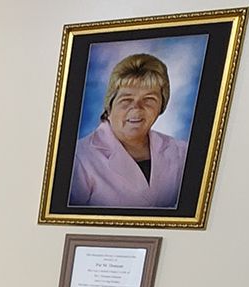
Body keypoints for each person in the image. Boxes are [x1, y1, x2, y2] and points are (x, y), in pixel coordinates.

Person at [67, 53, 188, 209]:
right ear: (110, 106)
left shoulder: (181, 152)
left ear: (161, 106)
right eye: (126, 99)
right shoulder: (79, 158)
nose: (137, 108)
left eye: (149, 99)